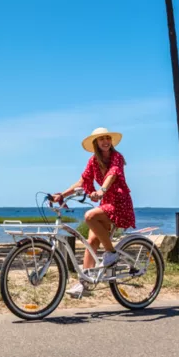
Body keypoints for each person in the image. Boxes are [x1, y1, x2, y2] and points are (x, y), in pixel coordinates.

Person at [53, 127, 135, 297]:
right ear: (96, 143)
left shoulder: (117, 157)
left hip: (120, 203)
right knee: (91, 242)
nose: (105, 141)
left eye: (107, 138)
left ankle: (111, 254)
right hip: (106, 203)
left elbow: (112, 174)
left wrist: (102, 190)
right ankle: (84, 283)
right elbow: (82, 181)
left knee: (90, 216)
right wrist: (62, 194)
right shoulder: (93, 161)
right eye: (101, 139)